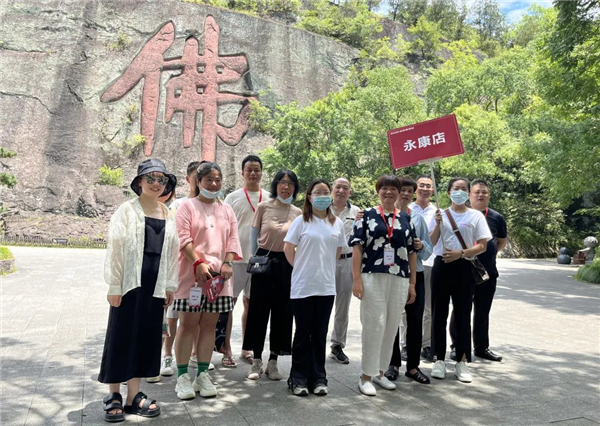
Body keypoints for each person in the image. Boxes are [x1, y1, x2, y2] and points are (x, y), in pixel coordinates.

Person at [99, 159, 179, 422]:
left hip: (155, 287)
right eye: (151, 178)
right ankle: (114, 393)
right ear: (139, 182)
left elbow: (172, 252)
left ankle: (133, 396)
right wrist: (114, 284)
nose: (156, 183)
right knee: (121, 336)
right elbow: (116, 247)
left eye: (161, 179)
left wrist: (169, 285)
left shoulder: (167, 214)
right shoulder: (127, 210)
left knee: (145, 338)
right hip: (129, 285)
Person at [172, 162, 242, 400]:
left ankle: (202, 374)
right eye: (209, 180)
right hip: (192, 278)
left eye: (218, 180)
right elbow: (183, 238)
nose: (214, 184)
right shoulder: (187, 207)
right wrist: (198, 262)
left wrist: (228, 262)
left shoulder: (227, 210)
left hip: (219, 280)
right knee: (188, 325)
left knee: (209, 326)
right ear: (198, 182)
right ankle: (182, 376)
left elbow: (233, 239)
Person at [350, 174, 417, 397]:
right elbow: (357, 248)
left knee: (391, 325)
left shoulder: (406, 219)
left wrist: (412, 284)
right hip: (372, 275)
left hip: (399, 277)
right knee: (374, 325)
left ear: (398, 192)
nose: (389, 192)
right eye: (384, 188)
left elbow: (411, 252)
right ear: (378, 191)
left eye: (393, 189)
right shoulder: (366, 215)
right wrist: (356, 279)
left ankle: (380, 372)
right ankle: (365, 376)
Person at [283, 179, 346, 396]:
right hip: (303, 286)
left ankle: (319, 377)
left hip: (326, 287)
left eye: (325, 192)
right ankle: (298, 378)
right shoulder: (301, 221)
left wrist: (322, 267)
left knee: (320, 334)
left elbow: (337, 251)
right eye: (317, 192)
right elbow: (288, 248)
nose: (322, 196)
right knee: (302, 333)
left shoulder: (337, 223)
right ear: (309, 197)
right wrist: (301, 267)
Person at [429, 177, 492, 383]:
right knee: (439, 314)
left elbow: (482, 245)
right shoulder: (440, 214)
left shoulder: (475, 216)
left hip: (464, 267)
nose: (460, 192)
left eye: (464, 189)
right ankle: (439, 359)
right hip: (442, 265)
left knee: (463, 314)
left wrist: (461, 253)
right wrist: (437, 224)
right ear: (448, 192)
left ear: (468, 193)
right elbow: (431, 242)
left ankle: (461, 361)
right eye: (456, 188)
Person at [242, 170, 301, 381]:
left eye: (290, 183)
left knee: (282, 312)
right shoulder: (263, 207)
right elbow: (253, 237)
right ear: (276, 185)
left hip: (286, 263)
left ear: (295, 188)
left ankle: (273, 361)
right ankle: (256, 360)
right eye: (282, 182)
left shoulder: (298, 212)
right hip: (263, 261)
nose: (286, 187)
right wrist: (255, 260)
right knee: (258, 311)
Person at [449, 179, 507, 362]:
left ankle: (482, 347)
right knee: (460, 310)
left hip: (487, 272)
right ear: (469, 195)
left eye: (484, 192)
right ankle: (457, 346)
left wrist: (487, 254)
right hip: (463, 271)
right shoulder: (461, 215)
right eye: (477, 192)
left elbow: (501, 241)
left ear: (489, 195)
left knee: (483, 311)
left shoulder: (496, 217)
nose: (481, 195)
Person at [224, 155, 271, 367]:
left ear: (262, 172)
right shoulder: (232, 198)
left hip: (260, 260)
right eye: (249, 169)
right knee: (228, 304)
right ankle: (226, 349)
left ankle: (247, 347)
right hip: (236, 259)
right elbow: (225, 228)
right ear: (242, 172)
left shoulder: (269, 198)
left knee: (252, 305)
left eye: (257, 169)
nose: (253, 173)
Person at [385, 177, 433, 384]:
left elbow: (429, 250)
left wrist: (421, 246)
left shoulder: (417, 219)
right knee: (392, 319)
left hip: (416, 274)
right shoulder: (383, 216)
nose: (405, 194)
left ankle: (413, 366)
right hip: (391, 273)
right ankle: (392, 363)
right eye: (402, 190)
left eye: (409, 191)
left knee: (415, 320)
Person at [328, 178, 361, 364]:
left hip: (347, 261)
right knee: (321, 303)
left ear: (350, 192)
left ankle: (337, 345)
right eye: (338, 187)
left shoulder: (357, 212)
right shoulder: (322, 210)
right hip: (325, 262)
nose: (341, 191)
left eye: (345, 188)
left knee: (343, 306)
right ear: (332, 189)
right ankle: (314, 341)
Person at [406, 175, 437, 361]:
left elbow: (432, 241)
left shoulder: (438, 211)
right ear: (415, 189)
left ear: (432, 190)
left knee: (428, 307)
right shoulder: (408, 210)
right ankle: (405, 344)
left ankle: (426, 344)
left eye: (428, 186)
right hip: (410, 265)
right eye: (421, 186)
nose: (425, 189)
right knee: (406, 307)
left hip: (430, 263)